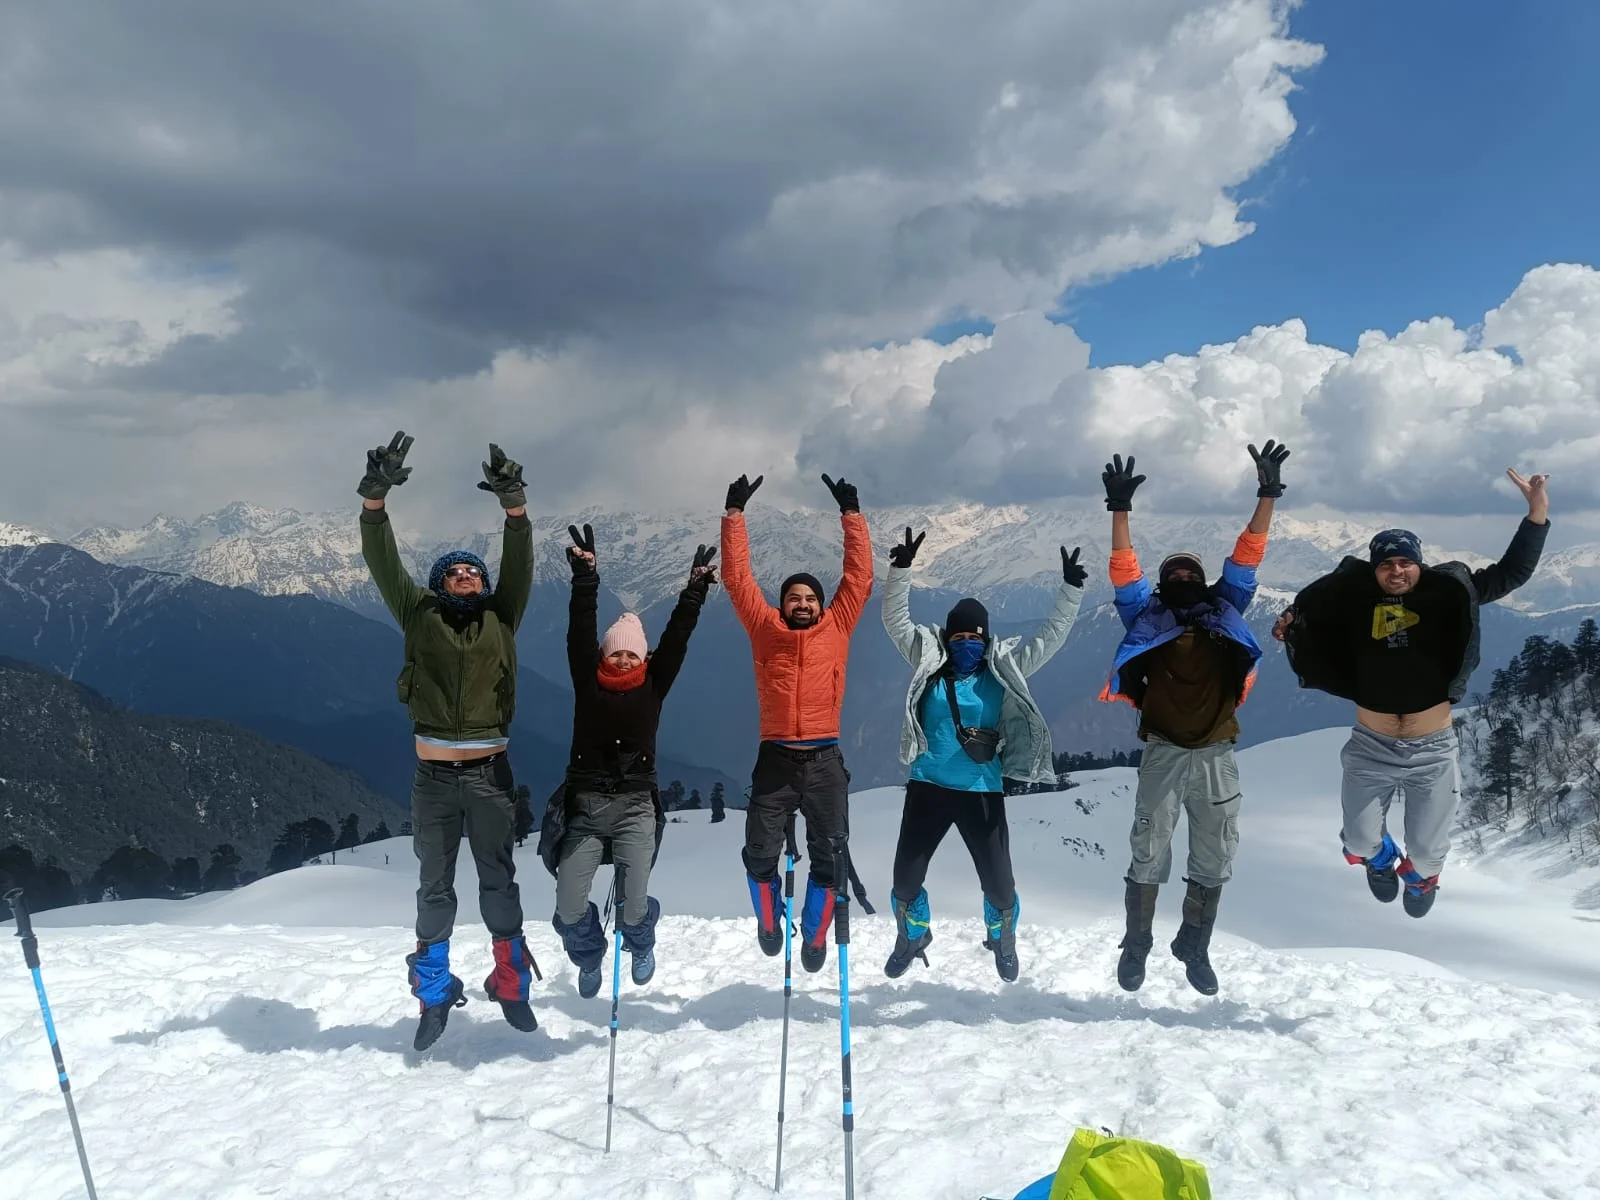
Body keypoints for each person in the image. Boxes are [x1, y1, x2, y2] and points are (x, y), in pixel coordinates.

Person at [1273, 469, 1551, 918]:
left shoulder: (1449, 593)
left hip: (1433, 748)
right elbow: (1309, 610)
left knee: (1425, 852)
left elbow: (1513, 573)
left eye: (1405, 562)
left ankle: (1420, 877)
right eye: (1386, 564)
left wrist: (1536, 512)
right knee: (1360, 839)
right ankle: (1379, 860)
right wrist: (1290, 627)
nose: (1396, 570)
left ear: (1419, 563)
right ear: (1374, 569)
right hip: (1371, 743)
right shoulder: (1352, 601)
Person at [357, 431, 539, 1051]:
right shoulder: (418, 613)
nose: (465, 576)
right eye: (454, 572)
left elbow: (520, 566)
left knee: (499, 885)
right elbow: (383, 561)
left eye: (472, 572)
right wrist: (375, 501)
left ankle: (511, 983)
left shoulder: (502, 615)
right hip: (433, 780)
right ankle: (434, 995)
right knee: (434, 890)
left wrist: (514, 507)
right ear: (439, 584)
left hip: (490, 776)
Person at [1099, 441, 1289, 996]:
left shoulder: (1225, 607)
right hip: (1163, 751)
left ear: (1203, 580)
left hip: (1215, 754)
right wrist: (1119, 511)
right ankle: (1137, 946)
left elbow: (1248, 554)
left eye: (1190, 570)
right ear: (1163, 584)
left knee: (1216, 853)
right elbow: (1122, 571)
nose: (1183, 575)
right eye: (1174, 571)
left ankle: (1194, 945)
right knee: (1147, 850)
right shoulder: (1145, 614)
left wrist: (1267, 494)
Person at [879, 527, 1088, 982]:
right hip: (928, 786)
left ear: (986, 639)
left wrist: (1071, 590)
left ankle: (1002, 937)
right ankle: (913, 933)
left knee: (999, 885)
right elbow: (895, 621)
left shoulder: (1003, 667)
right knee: (904, 883)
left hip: (980, 789)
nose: (966, 644)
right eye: (958, 638)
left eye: (975, 638)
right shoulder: (928, 659)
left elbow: (1049, 638)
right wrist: (900, 570)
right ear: (947, 638)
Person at [544, 523, 717, 997]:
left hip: (636, 807)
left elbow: (678, 639)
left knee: (634, 908)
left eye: (631, 655)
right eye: (616, 653)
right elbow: (579, 631)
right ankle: (590, 953)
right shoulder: (587, 680)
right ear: (604, 655)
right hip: (584, 810)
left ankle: (640, 941)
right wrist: (585, 580)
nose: (623, 661)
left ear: (643, 658)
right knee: (568, 911)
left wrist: (695, 593)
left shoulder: (654, 684)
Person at [721, 471, 874, 972]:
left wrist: (851, 514)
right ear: (783, 604)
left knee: (830, 856)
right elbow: (737, 580)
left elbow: (859, 578)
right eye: (795, 598)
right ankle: (769, 922)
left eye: (810, 598)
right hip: (776, 761)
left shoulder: (840, 624)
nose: (803, 604)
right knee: (759, 853)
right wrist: (734, 515)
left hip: (826, 760)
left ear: (820, 604)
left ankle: (814, 935)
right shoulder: (764, 629)